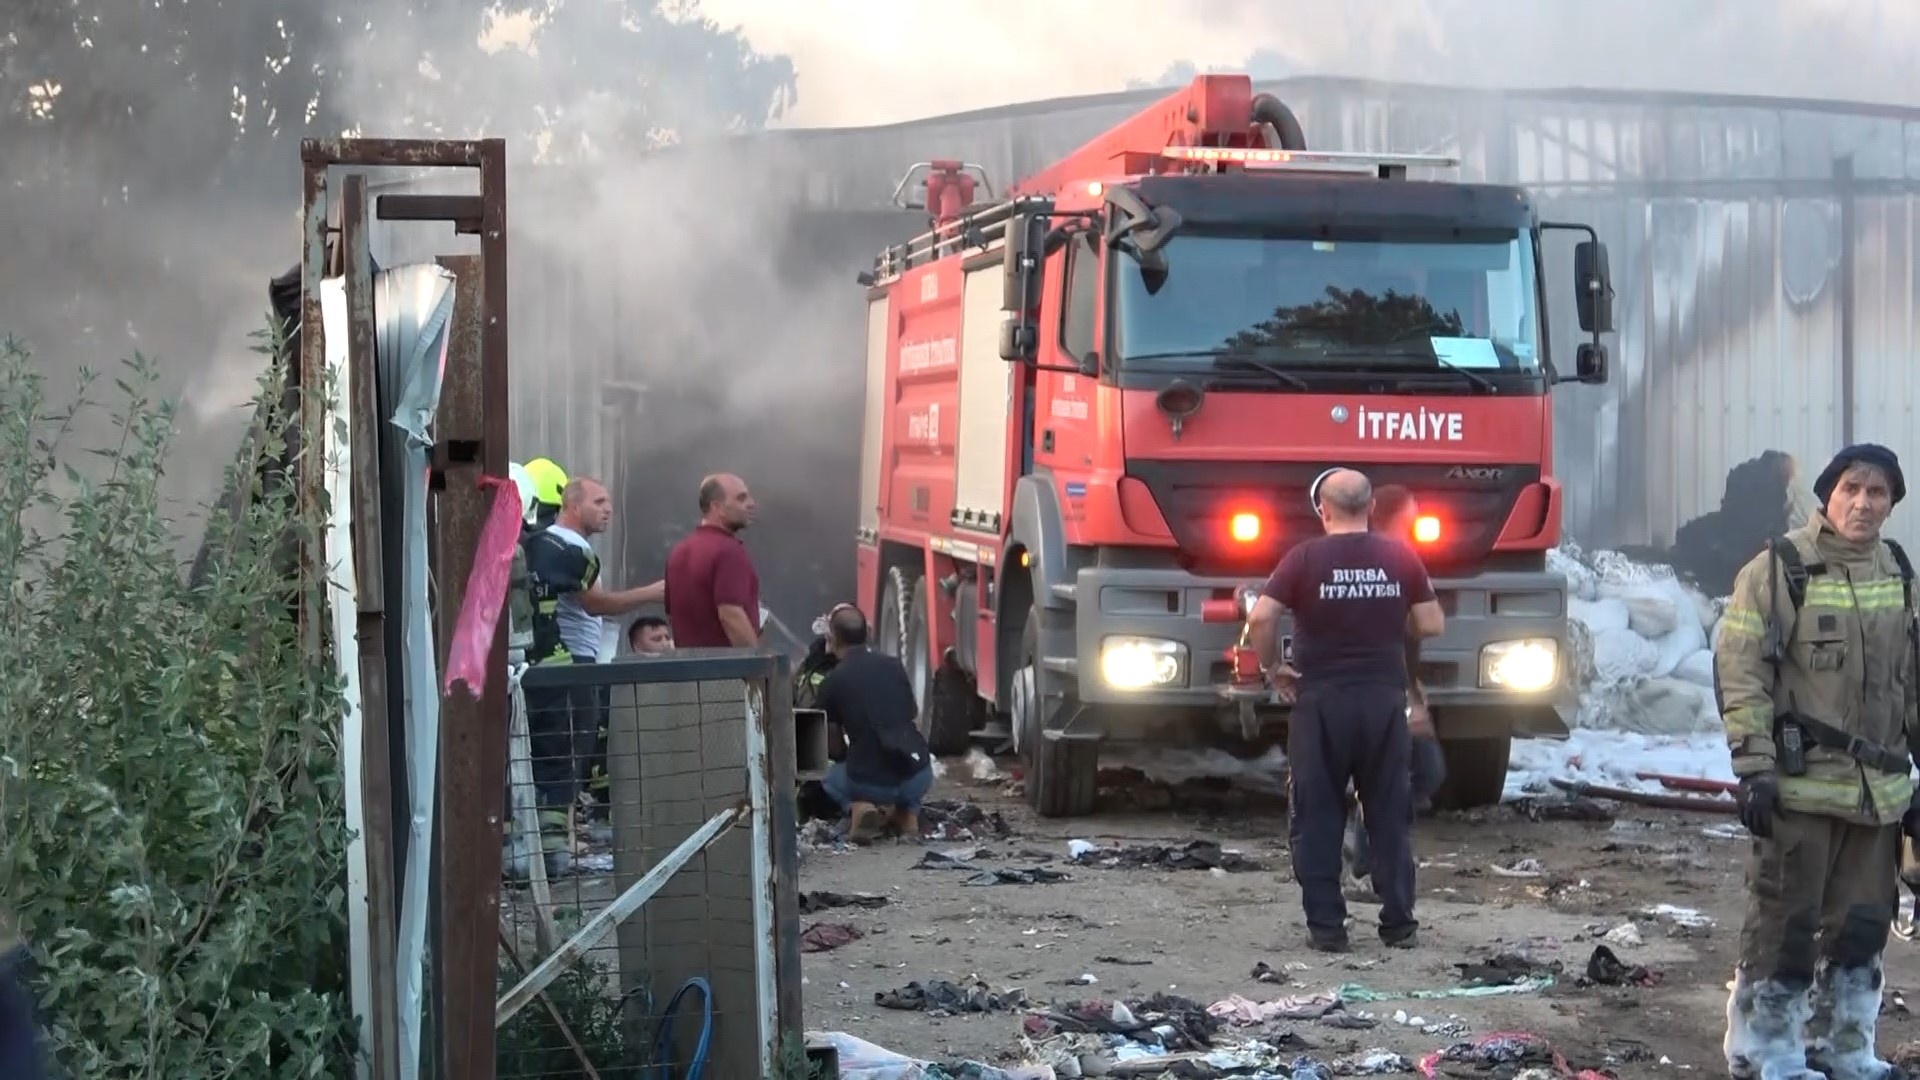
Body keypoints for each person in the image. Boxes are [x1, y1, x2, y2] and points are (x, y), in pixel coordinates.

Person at [1715, 443, 1920, 1080]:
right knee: (1785, 925)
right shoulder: (1779, 568)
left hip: (1875, 797)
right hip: (1801, 790)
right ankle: (1766, 1052)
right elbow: (1741, 671)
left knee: (1862, 930)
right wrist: (1753, 768)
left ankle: (1847, 1050)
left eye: (1878, 493)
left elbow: (1911, 682)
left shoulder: (1898, 571)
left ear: (1892, 504)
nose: (1863, 503)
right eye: (1851, 489)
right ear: (1826, 495)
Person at [1248, 468, 1444, 952]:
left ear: (1324, 510)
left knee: (1317, 813)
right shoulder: (1399, 556)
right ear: (1372, 507)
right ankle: (1399, 924)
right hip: (1382, 702)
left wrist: (1274, 668)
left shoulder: (1304, 558)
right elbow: (1431, 622)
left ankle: (1328, 929)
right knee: (1388, 811)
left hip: (1320, 704)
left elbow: (1261, 616)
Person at [523, 477, 665, 843]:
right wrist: (653, 593)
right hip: (573, 665)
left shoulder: (543, 546)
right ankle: (554, 850)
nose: (608, 510)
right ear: (572, 505)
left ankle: (543, 845)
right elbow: (596, 604)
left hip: (551, 668)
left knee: (552, 754)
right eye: (599, 502)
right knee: (569, 754)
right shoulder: (572, 550)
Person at [1342, 484, 1449, 900]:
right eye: (1411, 518)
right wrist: (1407, 701)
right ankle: (1369, 868)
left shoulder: (1395, 561)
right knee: (1398, 777)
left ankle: (1367, 849)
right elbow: (1415, 627)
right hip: (1381, 692)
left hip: (1394, 687)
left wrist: (1414, 686)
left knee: (1419, 773)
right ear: (1386, 521)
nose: (1417, 525)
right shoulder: (1384, 565)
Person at [815, 605, 934, 843]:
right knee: (905, 777)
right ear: (867, 634)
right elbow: (912, 712)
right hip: (918, 774)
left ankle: (859, 807)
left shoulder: (833, 680)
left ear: (833, 638)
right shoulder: (894, 666)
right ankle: (907, 813)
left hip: (870, 783)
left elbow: (833, 747)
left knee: (823, 771)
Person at [664, 473, 762, 649]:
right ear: (718, 507)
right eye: (741, 498)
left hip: (688, 670)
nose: (751, 503)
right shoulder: (728, 550)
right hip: (726, 671)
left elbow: (674, 616)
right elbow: (731, 615)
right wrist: (758, 670)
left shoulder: (678, 552)